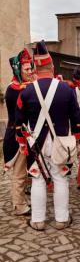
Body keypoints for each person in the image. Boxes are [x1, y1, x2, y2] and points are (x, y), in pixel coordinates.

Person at [15, 40, 80, 231]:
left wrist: (21, 142)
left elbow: (19, 121)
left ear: (36, 67)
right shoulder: (67, 90)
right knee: (61, 179)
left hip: (36, 142)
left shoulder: (26, 91)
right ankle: (61, 219)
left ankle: (38, 220)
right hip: (60, 141)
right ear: (52, 66)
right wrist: (75, 138)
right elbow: (75, 118)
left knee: (37, 180)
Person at [3, 48, 34, 216]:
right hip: (18, 136)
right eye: (27, 69)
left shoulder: (16, 86)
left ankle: (21, 200)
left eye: (31, 68)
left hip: (21, 134)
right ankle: (19, 205)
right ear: (18, 70)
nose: (30, 71)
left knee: (24, 171)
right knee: (20, 172)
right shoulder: (16, 89)